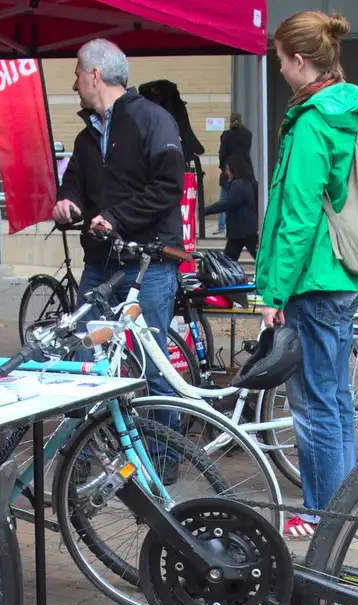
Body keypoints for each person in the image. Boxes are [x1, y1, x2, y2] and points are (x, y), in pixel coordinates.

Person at [256, 10, 358, 540]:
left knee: (313, 406)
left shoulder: (311, 122)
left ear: (300, 61)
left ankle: (323, 515)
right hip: (342, 274)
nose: (279, 70)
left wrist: (272, 291)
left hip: (315, 280)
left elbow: (298, 217)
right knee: (335, 400)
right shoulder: (347, 111)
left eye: (281, 61)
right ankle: (340, 509)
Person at [53, 40, 183, 400]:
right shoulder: (85, 138)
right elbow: (74, 186)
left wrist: (115, 217)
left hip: (149, 265)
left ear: (95, 75)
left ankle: (165, 456)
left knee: (152, 368)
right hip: (99, 265)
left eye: (77, 74)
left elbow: (168, 187)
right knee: (81, 359)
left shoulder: (154, 120)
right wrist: (67, 204)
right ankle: (81, 451)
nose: (73, 84)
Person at [203, 156, 258, 262]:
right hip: (244, 230)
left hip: (242, 229)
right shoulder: (246, 182)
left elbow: (227, 203)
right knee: (229, 260)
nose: (227, 172)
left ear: (234, 169)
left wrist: (205, 211)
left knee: (229, 261)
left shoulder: (238, 184)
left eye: (228, 169)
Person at [216, 112, 253, 235]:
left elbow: (222, 154)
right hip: (245, 170)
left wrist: (223, 167)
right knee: (247, 200)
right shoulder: (247, 134)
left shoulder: (226, 135)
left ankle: (222, 227)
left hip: (230, 169)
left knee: (224, 199)